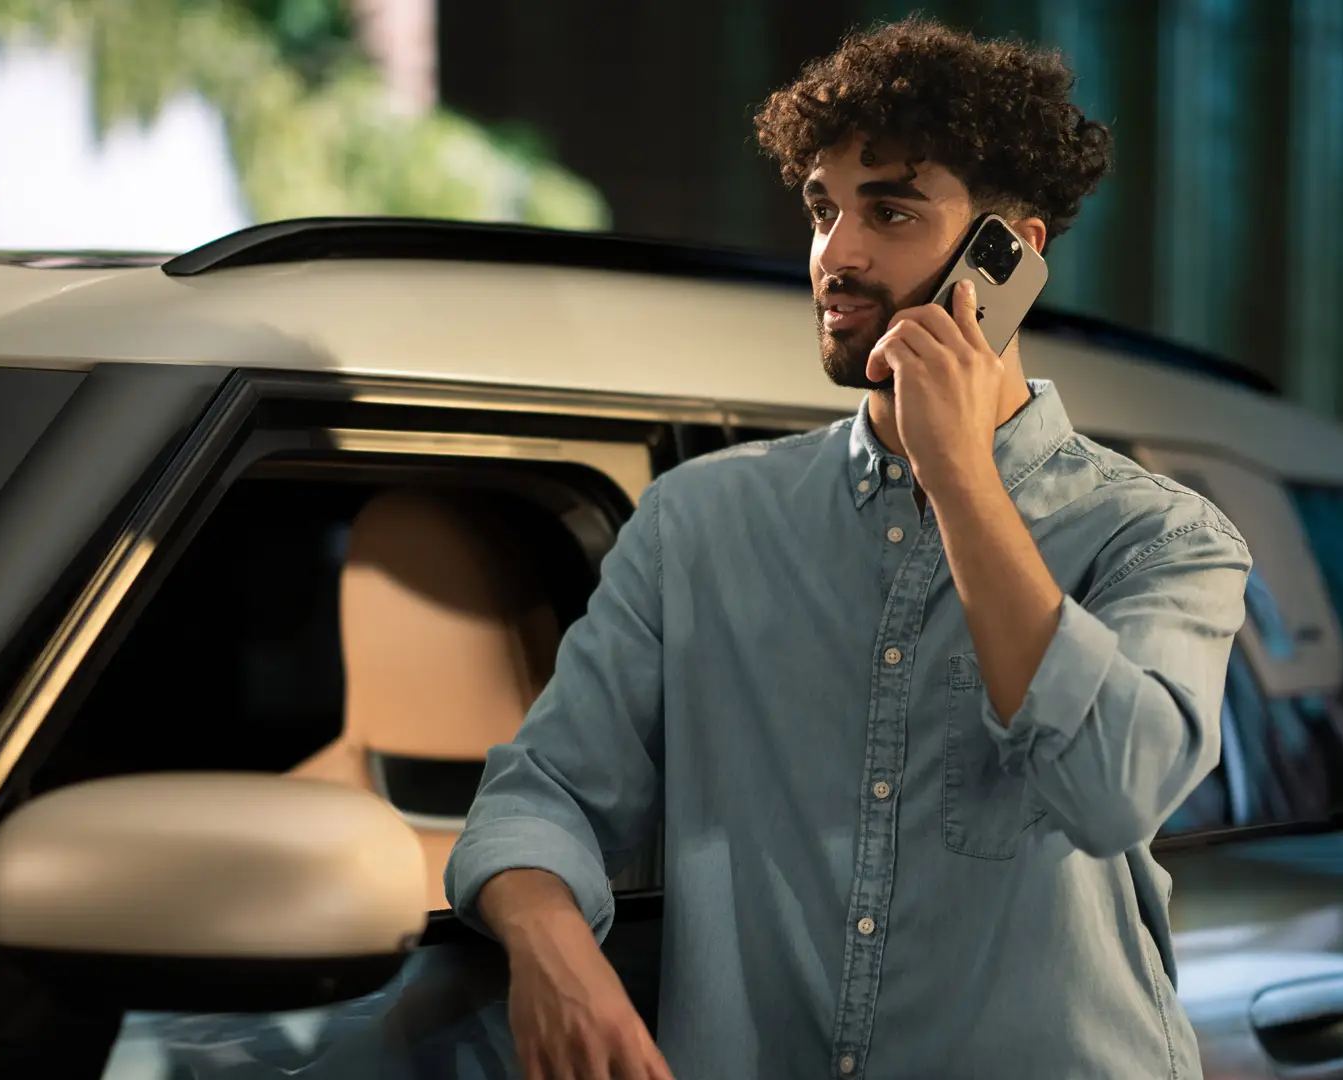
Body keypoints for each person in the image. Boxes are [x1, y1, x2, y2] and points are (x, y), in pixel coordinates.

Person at [444, 16, 1252, 1079]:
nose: (838, 252)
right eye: (824, 208)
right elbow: (540, 795)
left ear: (1009, 253)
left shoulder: (1159, 535)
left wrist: (957, 470)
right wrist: (548, 941)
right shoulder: (698, 524)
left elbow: (1111, 790)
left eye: (893, 209)